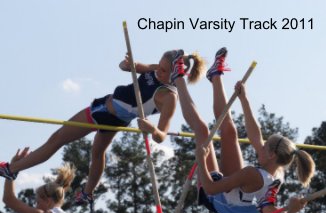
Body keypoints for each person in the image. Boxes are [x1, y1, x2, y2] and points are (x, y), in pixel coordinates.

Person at [170, 47, 322, 213]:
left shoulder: (253, 173)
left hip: (222, 202)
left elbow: (211, 188)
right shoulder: (276, 167)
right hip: (239, 203)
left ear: (269, 154)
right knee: (230, 132)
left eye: (263, 146)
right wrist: (244, 99)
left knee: (202, 131)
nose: (258, 145)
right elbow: (255, 133)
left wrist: (201, 159)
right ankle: (215, 77)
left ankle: (178, 78)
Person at [0, 50, 205, 204]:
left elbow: (161, 136)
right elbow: (133, 67)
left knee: (57, 139)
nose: (158, 71)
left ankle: (12, 169)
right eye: (159, 66)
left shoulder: (169, 97)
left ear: (178, 74)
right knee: (97, 153)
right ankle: (88, 193)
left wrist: (151, 129)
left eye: (164, 70)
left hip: (105, 113)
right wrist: (126, 65)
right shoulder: (156, 70)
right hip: (111, 110)